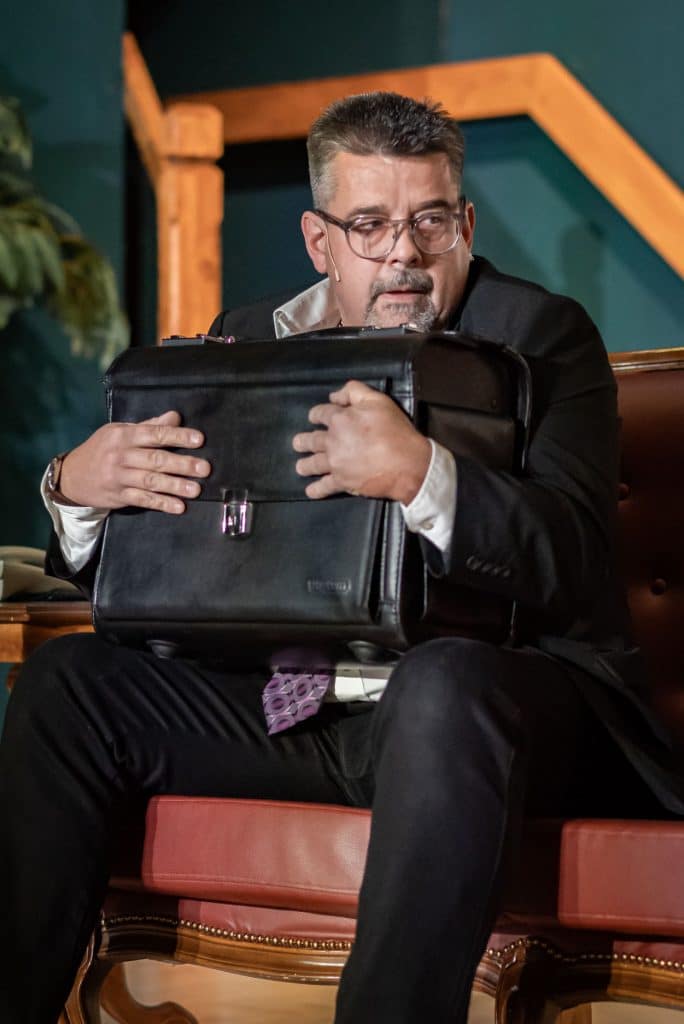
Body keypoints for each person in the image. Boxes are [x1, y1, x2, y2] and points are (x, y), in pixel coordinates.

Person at [1, 92, 682, 1024]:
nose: (404, 254)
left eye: (429, 222)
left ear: (464, 224)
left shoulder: (547, 337)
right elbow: (167, 566)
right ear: (320, 240)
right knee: (67, 682)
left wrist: (422, 476)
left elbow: (571, 560)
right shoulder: (246, 338)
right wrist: (79, 491)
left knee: (440, 683)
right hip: (300, 709)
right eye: (369, 226)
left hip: (501, 713)